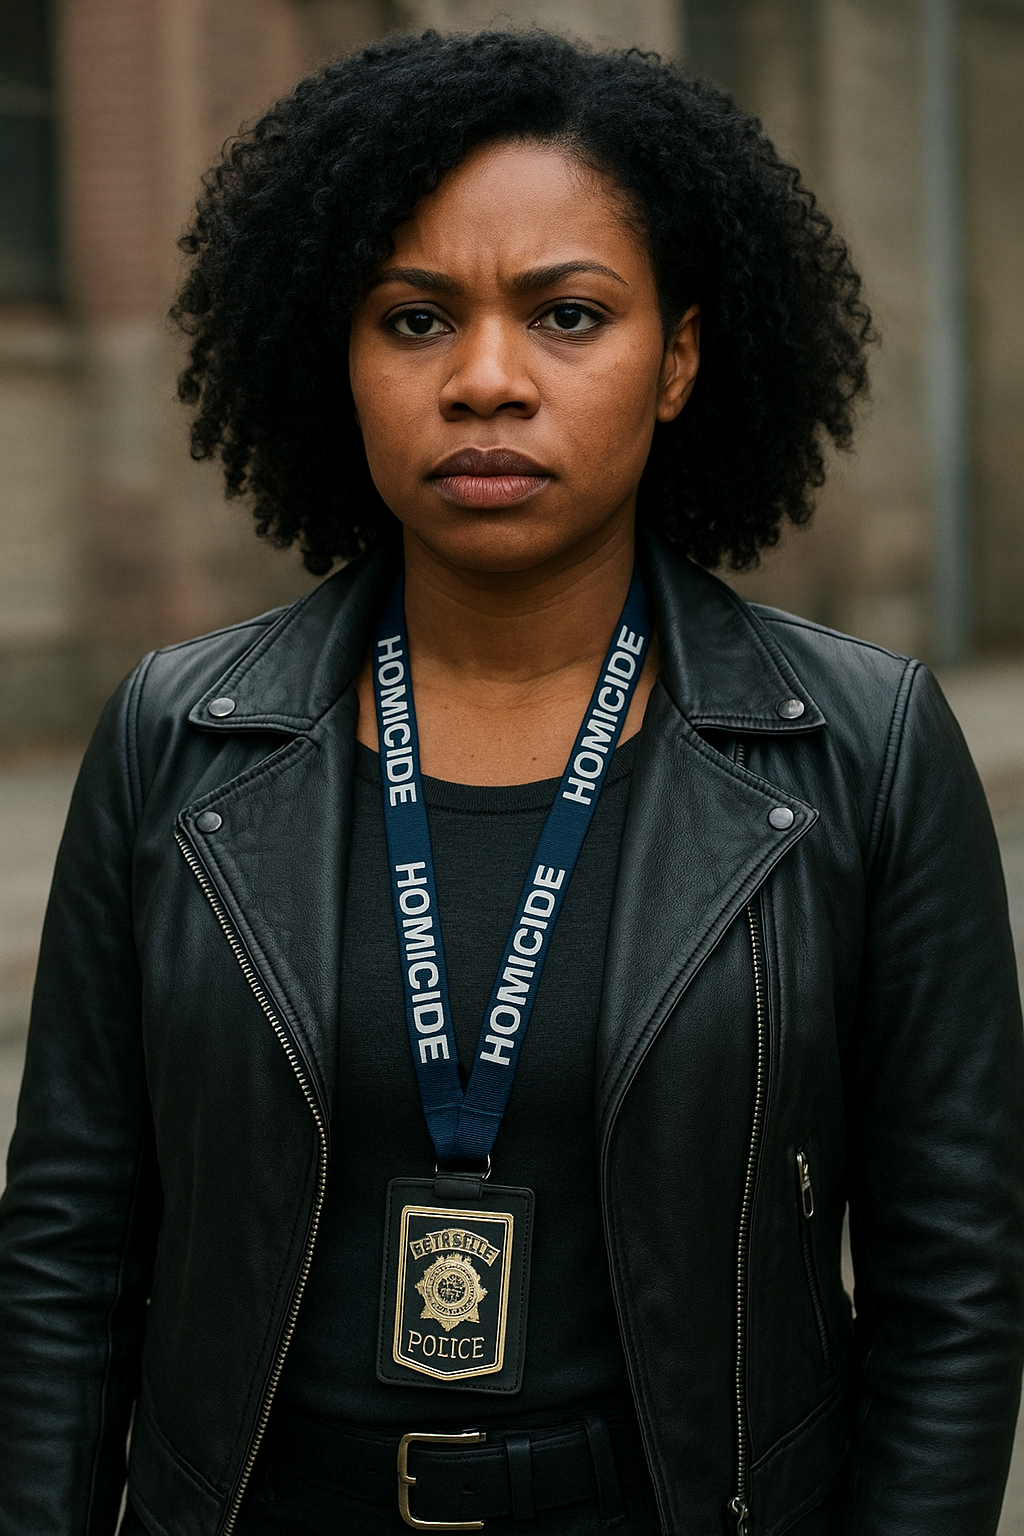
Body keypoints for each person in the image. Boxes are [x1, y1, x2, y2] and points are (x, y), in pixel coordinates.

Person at [0, 28, 1021, 1536]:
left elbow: (955, 1283)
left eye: (568, 315)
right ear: (339, 356)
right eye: (415, 319)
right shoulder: (178, 736)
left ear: (678, 360)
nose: (486, 380)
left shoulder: (860, 749)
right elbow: (69, 1255)